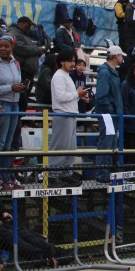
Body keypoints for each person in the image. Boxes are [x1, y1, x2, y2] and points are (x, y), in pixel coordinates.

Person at [0, 34, 26, 183]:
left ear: (12, 47)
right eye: (0, 46)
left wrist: (20, 88)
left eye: (6, 46)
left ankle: (6, 174)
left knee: (9, 142)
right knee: (0, 142)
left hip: (15, 103)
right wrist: (10, 88)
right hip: (1, 103)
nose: (2, 49)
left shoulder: (16, 63)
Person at [50, 49, 86, 185]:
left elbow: (68, 97)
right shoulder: (59, 76)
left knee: (70, 147)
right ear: (61, 62)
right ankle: (54, 175)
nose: (73, 64)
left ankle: (66, 173)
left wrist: (79, 96)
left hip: (70, 114)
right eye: (70, 61)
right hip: (62, 114)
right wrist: (77, 94)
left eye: (74, 61)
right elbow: (60, 97)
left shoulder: (66, 76)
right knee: (61, 146)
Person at [93, 45, 126, 180]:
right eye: (121, 55)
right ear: (116, 56)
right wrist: (111, 109)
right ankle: (102, 173)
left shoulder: (108, 71)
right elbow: (101, 96)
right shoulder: (106, 72)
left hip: (110, 114)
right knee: (106, 143)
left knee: (110, 143)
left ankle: (105, 172)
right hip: (108, 114)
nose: (122, 58)